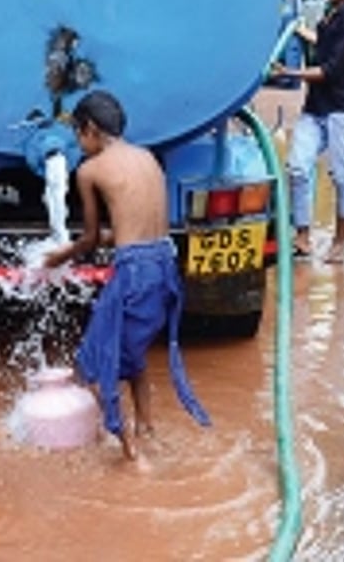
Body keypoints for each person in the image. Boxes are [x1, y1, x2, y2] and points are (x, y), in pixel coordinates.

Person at [42, 90, 210, 460]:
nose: (77, 145)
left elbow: (88, 240)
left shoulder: (90, 170)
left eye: (77, 135)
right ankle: (147, 429)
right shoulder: (147, 157)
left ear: (89, 129)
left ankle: (133, 456)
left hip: (135, 274)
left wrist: (56, 258)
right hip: (165, 268)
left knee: (93, 366)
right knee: (132, 358)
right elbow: (131, 228)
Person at [271, 0, 344, 265]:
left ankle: (340, 243)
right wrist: (303, 32)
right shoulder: (330, 13)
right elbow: (326, 46)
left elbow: (329, 70)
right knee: (297, 167)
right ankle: (303, 236)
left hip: (343, 109)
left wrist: (289, 72)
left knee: (342, 176)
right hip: (316, 106)